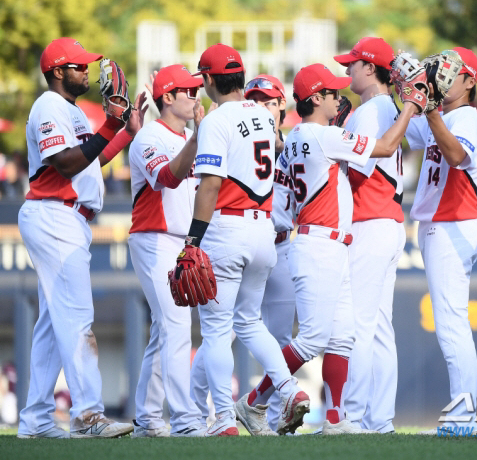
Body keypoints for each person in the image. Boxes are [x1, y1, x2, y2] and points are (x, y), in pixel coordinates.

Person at [242, 63, 420, 435]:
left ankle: (336, 418)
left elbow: (283, 204)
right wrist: (410, 107)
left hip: (323, 241)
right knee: (312, 340)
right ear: (316, 98)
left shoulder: (295, 137)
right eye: (332, 93)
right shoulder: (321, 136)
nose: (340, 98)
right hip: (319, 244)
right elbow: (387, 147)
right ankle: (252, 402)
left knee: (343, 337)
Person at [17, 37, 146, 439]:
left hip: (65, 216)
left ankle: (36, 421)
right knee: (76, 320)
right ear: (57, 71)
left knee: (52, 325)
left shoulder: (68, 110)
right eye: (78, 66)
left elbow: (92, 160)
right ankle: (88, 413)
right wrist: (110, 122)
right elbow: (67, 163)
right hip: (55, 214)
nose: (86, 71)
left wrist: (124, 131)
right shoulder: (49, 106)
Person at [180, 44, 309, 437]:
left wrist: (192, 241)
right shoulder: (264, 117)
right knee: (250, 322)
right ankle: (288, 389)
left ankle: (222, 418)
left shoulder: (217, 121)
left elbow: (210, 186)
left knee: (217, 331)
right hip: (263, 231)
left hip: (228, 227)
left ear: (206, 80)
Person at [404, 47, 477, 434]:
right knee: (451, 324)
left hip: (453, 224)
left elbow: (455, 156)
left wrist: (431, 109)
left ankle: (463, 418)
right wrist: (405, 88)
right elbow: (408, 133)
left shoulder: (467, 117)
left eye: (451, 73)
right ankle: (462, 415)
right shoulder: (449, 115)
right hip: (439, 225)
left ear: (470, 81)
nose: (442, 77)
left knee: (452, 325)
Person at [128, 64, 209, 437]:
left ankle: (146, 418)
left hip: (182, 242)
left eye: (196, 89)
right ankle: (185, 419)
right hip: (154, 238)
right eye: (187, 90)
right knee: (175, 326)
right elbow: (167, 178)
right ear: (167, 97)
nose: (195, 95)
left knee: (165, 332)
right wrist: (198, 138)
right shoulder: (148, 137)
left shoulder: (192, 133)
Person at [333, 37, 404, 434]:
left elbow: (352, 173)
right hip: (388, 220)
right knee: (378, 326)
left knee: (359, 324)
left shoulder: (370, 110)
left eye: (353, 64)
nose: (348, 71)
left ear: (370, 68)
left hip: (369, 219)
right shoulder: (388, 107)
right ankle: (380, 420)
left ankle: (355, 416)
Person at [236, 74, 296, 433]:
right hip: (246, 246)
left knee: (282, 339)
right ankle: (198, 417)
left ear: (282, 109)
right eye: (255, 101)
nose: (262, 108)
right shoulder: (241, 143)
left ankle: (277, 420)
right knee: (224, 333)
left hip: (283, 244)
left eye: (269, 102)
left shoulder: (296, 144)